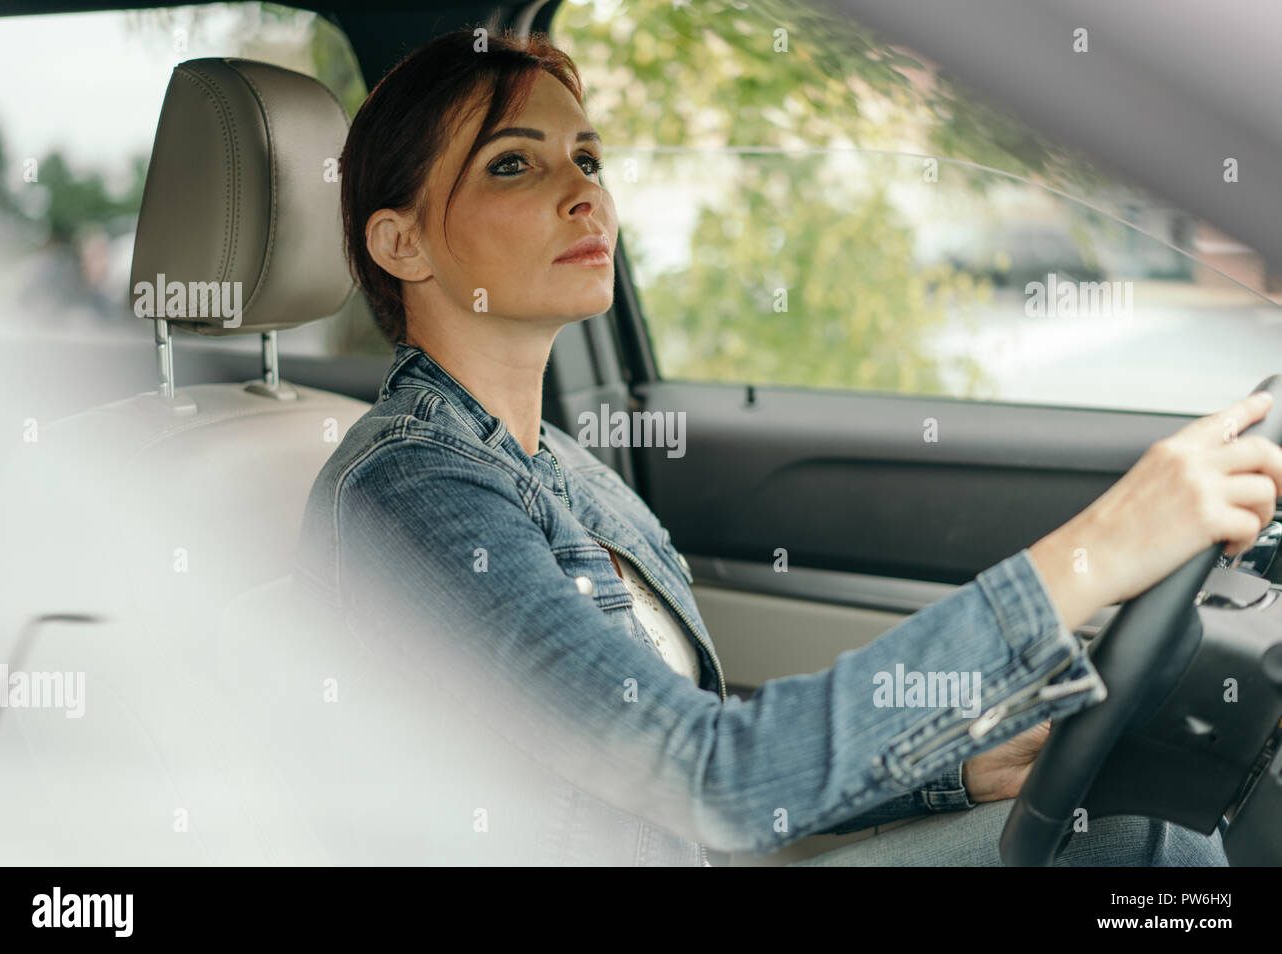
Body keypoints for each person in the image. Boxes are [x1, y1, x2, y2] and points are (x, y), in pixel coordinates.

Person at [294, 28, 1280, 866]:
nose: (583, 193)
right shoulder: (411, 493)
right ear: (402, 245)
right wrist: (1096, 551)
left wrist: (952, 772)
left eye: (587, 157)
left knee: (1135, 830)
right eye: (516, 162)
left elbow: (712, 780)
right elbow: (707, 779)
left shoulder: (568, 471)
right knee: (1141, 852)